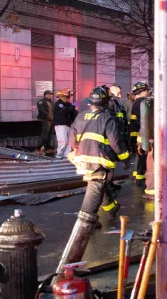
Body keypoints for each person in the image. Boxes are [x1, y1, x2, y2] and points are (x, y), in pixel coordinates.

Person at [68, 86, 130, 223]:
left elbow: (72, 140)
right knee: (96, 187)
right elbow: (116, 143)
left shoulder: (80, 116)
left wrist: (80, 149)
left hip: (81, 159)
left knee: (99, 184)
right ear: (106, 103)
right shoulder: (107, 119)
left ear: (90, 102)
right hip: (100, 161)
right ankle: (86, 221)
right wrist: (126, 159)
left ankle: (111, 208)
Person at [129, 82, 150, 187]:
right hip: (141, 134)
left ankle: (136, 176)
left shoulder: (136, 103)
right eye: (146, 90)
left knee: (139, 156)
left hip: (137, 133)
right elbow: (143, 121)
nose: (147, 92)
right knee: (142, 156)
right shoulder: (142, 103)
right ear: (142, 91)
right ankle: (139, 178)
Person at [52, 89, 77, 159]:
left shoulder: (68, 105)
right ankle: (59, 155)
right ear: (60, 97)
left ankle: (66, 154)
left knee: (69, 142)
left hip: (68, 125)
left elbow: (73, 113)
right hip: (60, 125)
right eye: (64, 97)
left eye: (67, 97)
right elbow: (65, 111)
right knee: (63, 140)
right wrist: (73, 106)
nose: (66, 99)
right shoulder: (58, 104)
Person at [35, 90, 54, 154]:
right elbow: (42, 110)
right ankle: (41, 147)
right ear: (45, 95)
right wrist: (49, 116)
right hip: (45, 119)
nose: (50, 95)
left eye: (50, 94)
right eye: (49, 94)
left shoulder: (51, 102)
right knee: (45, 133)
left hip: (51, 120)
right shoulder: (41, 102)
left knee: (50, 134)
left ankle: (48, 146)